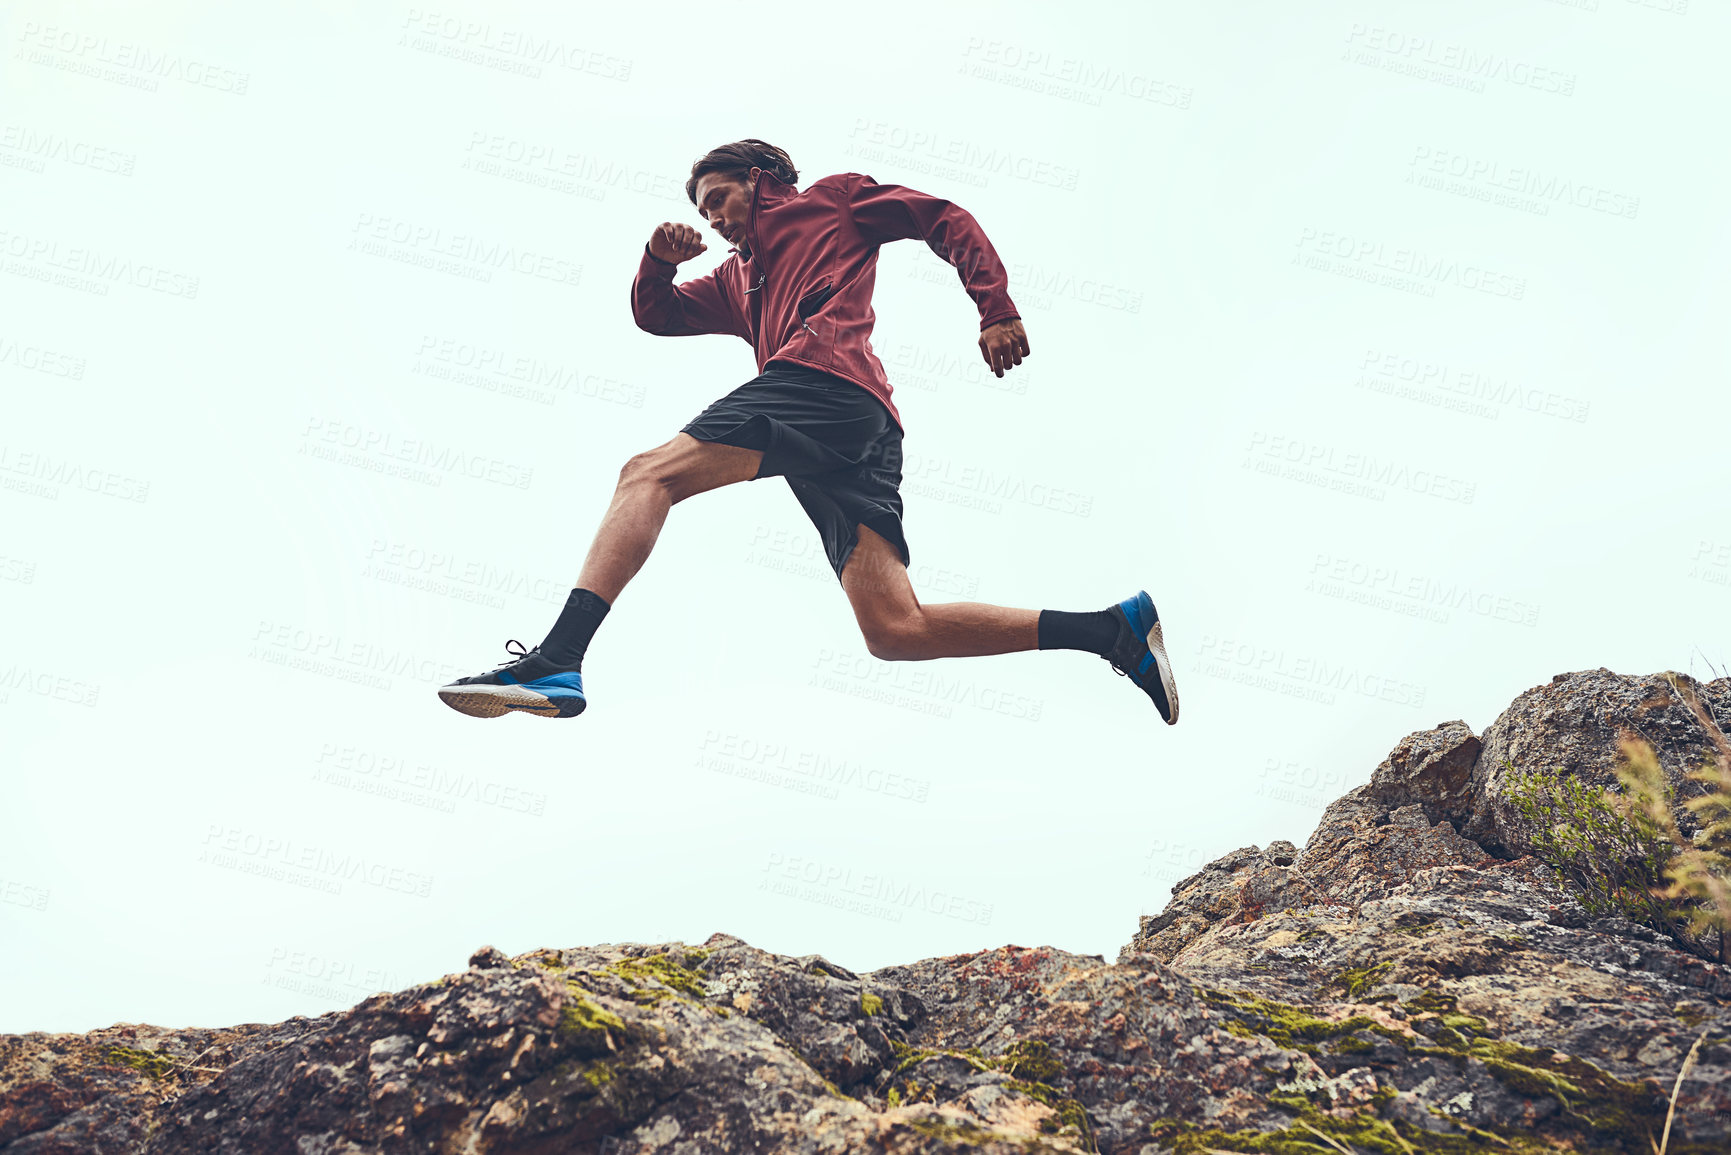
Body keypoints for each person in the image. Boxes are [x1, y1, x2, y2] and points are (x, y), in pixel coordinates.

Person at [437, 139, 1178, 724]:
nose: (715, 218)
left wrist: (995, 308)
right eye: (703, 212)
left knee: (646, 473)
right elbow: (655, 316)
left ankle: (558, 657)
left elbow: (941, 217)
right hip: (860, 432)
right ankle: (1111, 629)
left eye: (720, 198)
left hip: (825, 384)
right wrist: (656, 263)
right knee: (894, 628)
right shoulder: (736, 279)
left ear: (760, 178)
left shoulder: (833, 202)